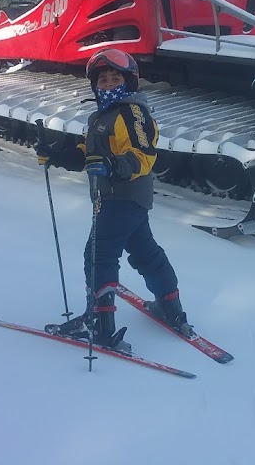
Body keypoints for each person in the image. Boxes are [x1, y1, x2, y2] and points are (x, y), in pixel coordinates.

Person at [35, 48, 191, 354]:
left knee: (99, 254)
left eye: (114, 77)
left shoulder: (131, 113)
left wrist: (112, 166)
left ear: (129, 80)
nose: (108, 84)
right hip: (122, 199)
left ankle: (101, 324)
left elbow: (143, 155)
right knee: (146, 254)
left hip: (123, 195)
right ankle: (171, 307)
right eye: (103, 79)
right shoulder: (102, 117)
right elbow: (88, 155)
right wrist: (57, 154)